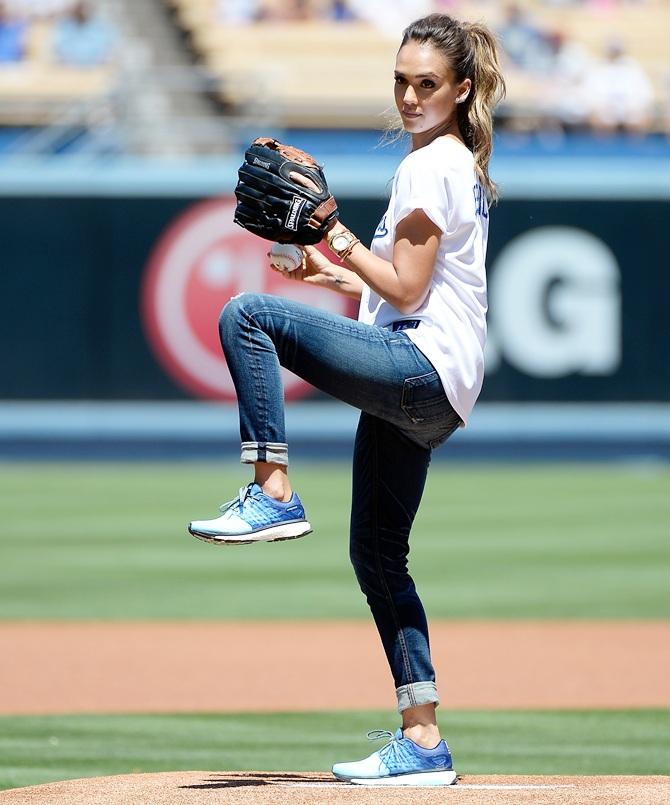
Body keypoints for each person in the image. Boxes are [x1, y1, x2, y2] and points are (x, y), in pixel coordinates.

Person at [189, 11, 505, 785]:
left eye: (427, 84)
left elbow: (405, 284)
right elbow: (409, 290)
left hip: (420, 366)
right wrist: (331, 273)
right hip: (435, 379)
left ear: (461, 89)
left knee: (247, 315)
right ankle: (423, 741)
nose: (408, 96)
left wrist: (332, 231)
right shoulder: (449, 163)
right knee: (377, 553)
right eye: (400, 81)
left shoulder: (432, 166)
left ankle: (273, 490)